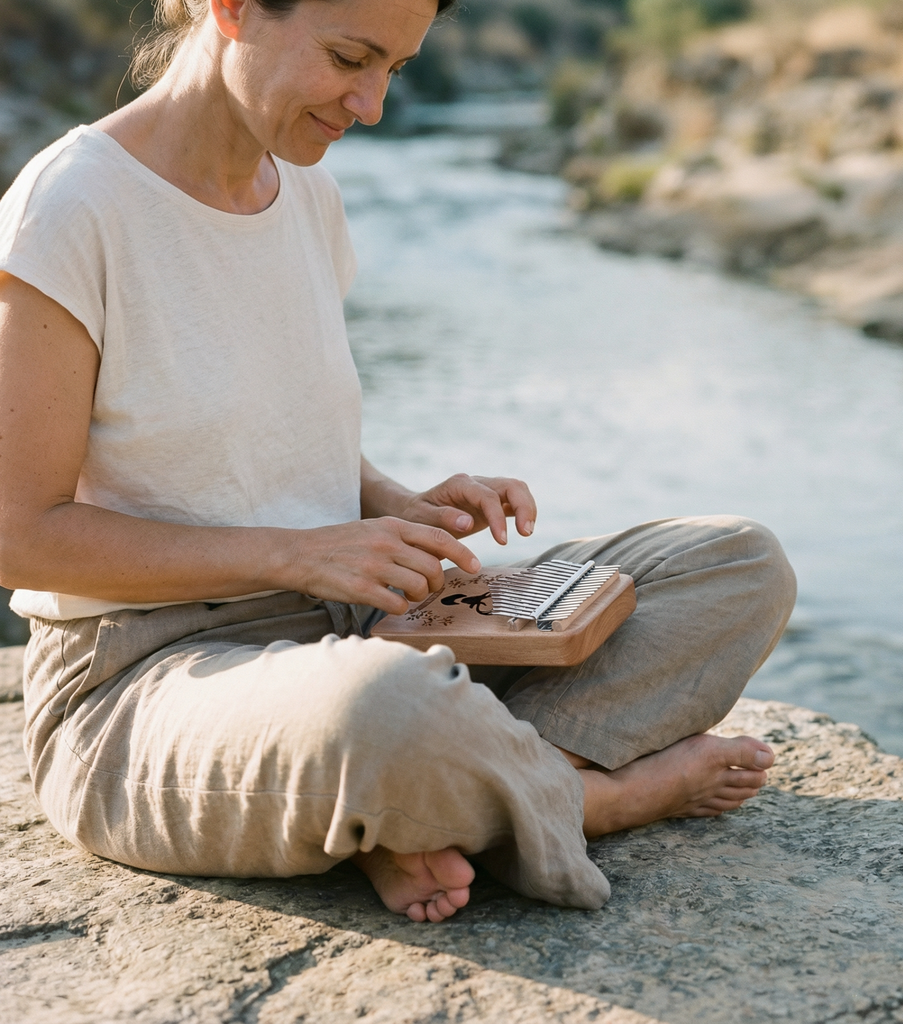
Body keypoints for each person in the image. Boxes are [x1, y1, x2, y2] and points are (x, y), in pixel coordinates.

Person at [0, 0, 796, 923]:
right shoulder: (70, 209)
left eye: (396, 69)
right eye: (350, 57)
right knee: (388, 709)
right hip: (148, 679)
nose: (372, 104)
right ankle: (595, 798)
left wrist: (398, 503)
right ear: (233, 8)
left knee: (733, 562)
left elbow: (268, 437)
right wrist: (296, 555)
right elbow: (19, 533)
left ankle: (427, 804)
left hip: (359, 629)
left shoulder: (304, 191)